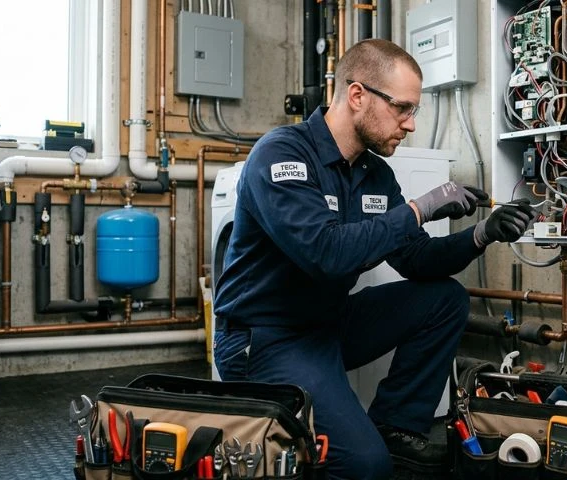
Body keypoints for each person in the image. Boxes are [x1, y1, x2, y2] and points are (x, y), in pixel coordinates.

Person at [213, 38, 536, 479]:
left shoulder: (373, 174)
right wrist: (420, 208)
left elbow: (416, 258)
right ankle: (362, 452)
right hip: (266, 337)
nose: (410, 125)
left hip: (328, 324)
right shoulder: (283, 154)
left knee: (445, 300)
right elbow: (325, 254)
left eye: (413, 111)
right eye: (403, 108)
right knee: (363, 466)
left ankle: (396, 430)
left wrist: (480, 236)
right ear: (358, 95)